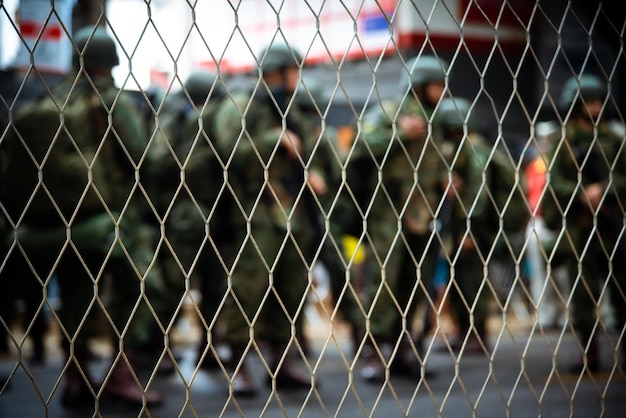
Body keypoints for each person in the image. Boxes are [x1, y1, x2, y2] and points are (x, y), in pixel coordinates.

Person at [0, 26, 164, 408]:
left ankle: (77, 379)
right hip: (108, 219)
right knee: (144, 286)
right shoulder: (110, 100)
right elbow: (142, 157)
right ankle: (121, 375)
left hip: (59, 221)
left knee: (78, 294)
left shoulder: (55, 98)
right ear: (111, 62)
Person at [213, 42, 323, 397]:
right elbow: (227, 150)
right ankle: (240, 366)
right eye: (293, 70)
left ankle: (282, 362)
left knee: (291, 290)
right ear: (276, 72)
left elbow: (310, 152)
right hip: (254, 214)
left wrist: (312, 173)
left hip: (293, 212)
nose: (297, 78)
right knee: (248, 291)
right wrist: (271, 139)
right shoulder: (241, 107)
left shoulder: (293, 112)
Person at [357, 54, 448, 382]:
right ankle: (377, 350)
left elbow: (434, 162)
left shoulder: (434, 121)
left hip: (422, 214)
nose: (441, 92)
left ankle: (404, 348)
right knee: (384, 282)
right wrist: (400, 133)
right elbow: (360, 145)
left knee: (415, 283)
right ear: (420, 86)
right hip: (387, 212)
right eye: (436, 85)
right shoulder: (390, 111)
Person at [147, 68, 231, 371]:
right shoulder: (174, 119)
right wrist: (201, 153)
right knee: (174, 282)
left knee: (216, 284)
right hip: (181, 212)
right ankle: (159, 346)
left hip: (215, 210)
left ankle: (209, 344)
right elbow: (158, 160)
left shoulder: (218, 119)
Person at [543, 74, 626, 373]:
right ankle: (589, 353)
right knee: (582, 294)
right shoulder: (563, 142)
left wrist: (602, 189)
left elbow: (624, 177)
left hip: (612, 225)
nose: (595, 106)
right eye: (588, 101)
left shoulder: (613, 140)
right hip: (580, 226)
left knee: (621, 290)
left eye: (598, 101)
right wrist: (581, 194)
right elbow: (554, 182)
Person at [435, 97, 494, 354]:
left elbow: (479, 195)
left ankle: (478, 336)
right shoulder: (459, 147)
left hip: (474, 229)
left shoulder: (474, 148)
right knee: (457, 279)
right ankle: (463, 332)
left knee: (473, 281)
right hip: (458, 227)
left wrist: (469, 230)